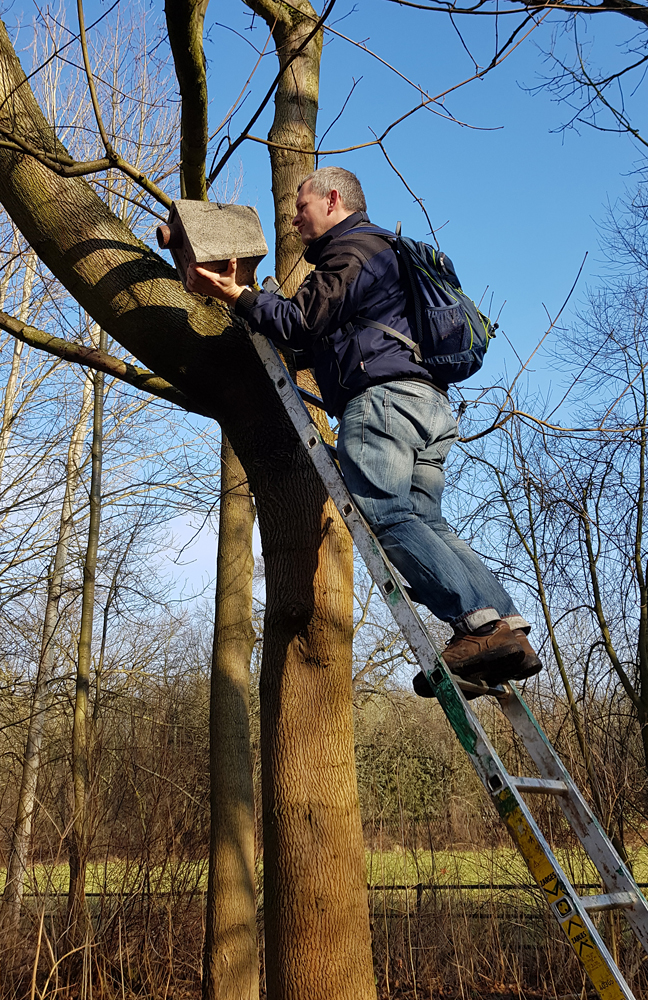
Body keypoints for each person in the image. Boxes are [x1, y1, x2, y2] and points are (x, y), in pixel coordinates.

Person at [186, 166, 542, 693]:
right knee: (428, 522)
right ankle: (504, 629)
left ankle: (477, 625)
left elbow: (300, 322)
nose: (293, 217)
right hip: (428, 407)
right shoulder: (387, 255)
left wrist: (235, 295)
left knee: (388, 516)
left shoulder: (353, 251)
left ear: (333, 199)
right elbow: (315, 339)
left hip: (383, 405)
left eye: (300, 206)